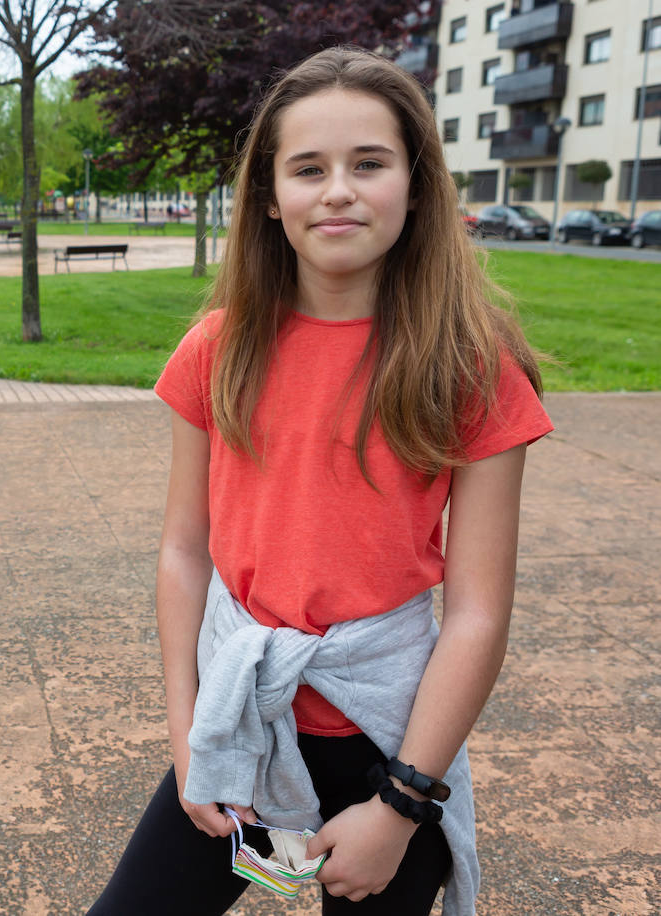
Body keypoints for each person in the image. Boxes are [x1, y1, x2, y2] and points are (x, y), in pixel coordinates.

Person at [88, 46, 552, 916]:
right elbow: (184, 552)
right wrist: (190, 742)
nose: (338, 189)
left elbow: (479, 611)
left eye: (368, 163)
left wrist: (403, 805)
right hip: (240, 718)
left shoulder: (472, 370)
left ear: (416, 186)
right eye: (308, 168)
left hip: (391, 743)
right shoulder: (216, 351)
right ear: (270, 198)